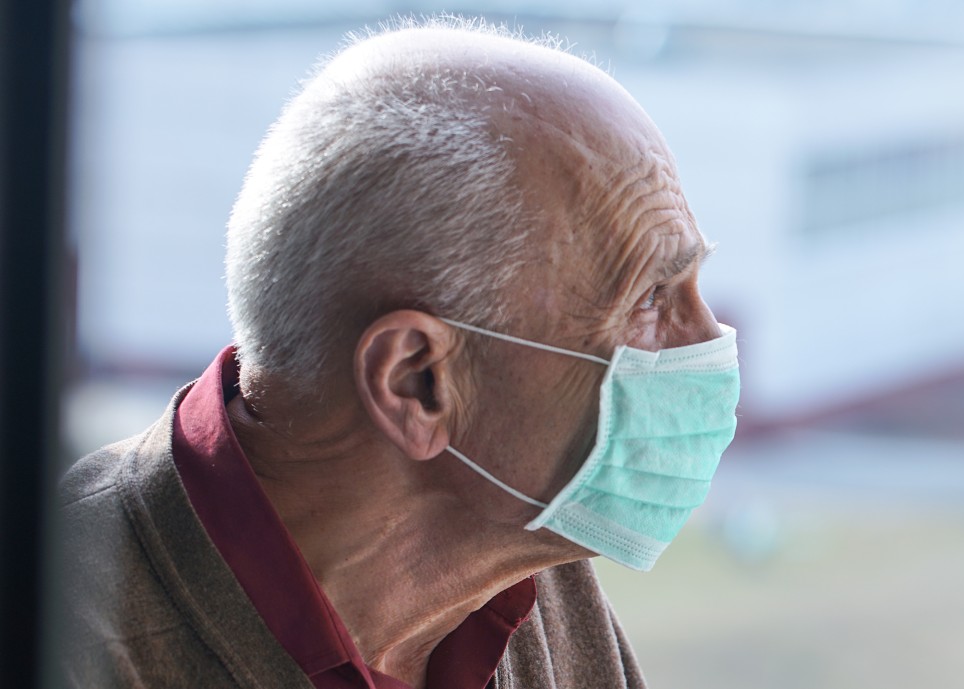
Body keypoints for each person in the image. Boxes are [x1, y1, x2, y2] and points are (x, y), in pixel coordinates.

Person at [55, 17, 740, 689]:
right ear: (418, 381)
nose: (709, 339)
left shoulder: (530, 572)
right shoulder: (64, 635)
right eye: (651, 298)